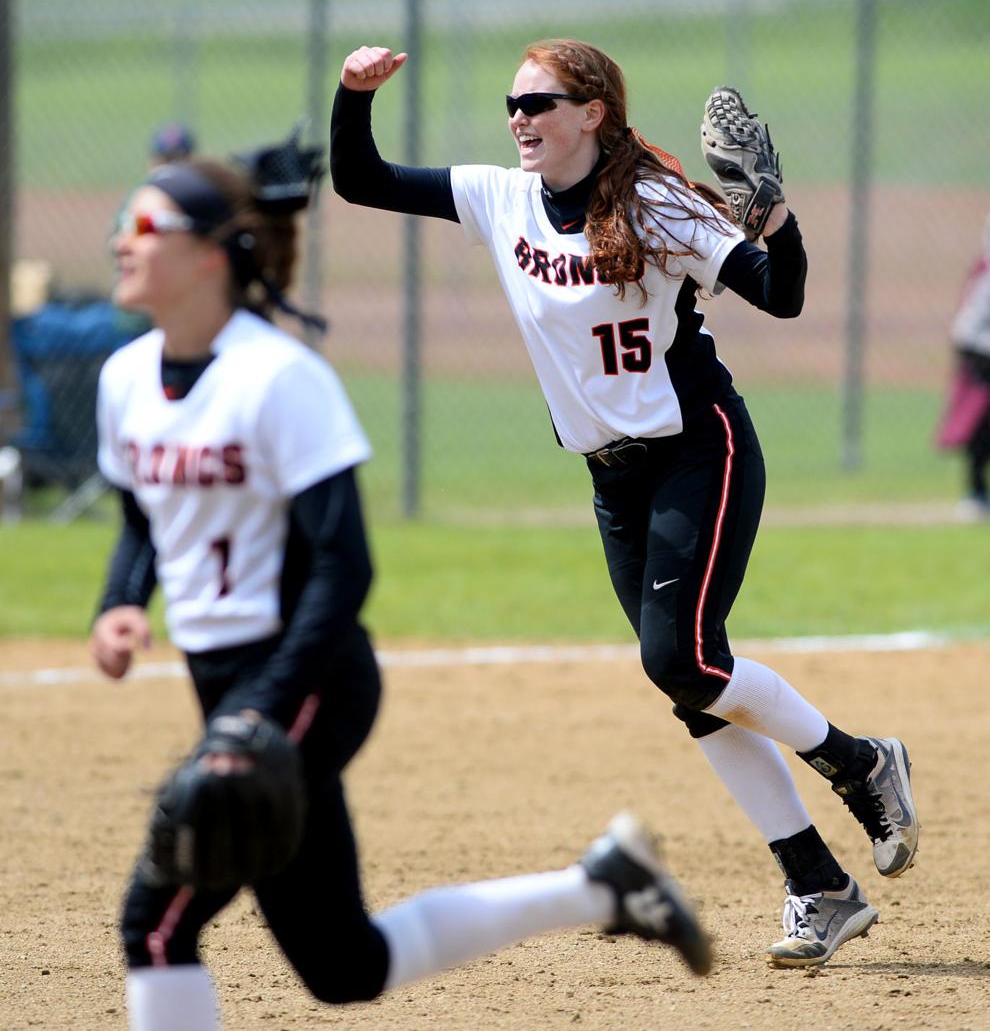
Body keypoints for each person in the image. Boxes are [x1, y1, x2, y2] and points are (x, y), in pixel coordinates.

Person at [90, 130, 712, 1031]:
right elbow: (145, 517)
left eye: (145, 223)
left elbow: (345, 565)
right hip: (226, 680)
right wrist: (120, 602)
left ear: (213, 254)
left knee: (155, 926)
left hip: (308, 677)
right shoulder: (124, 381)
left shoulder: (277, 379)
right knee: (344, 965)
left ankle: (602, 888)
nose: (121, 238)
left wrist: (260, 709)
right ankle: (600, 889)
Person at [329, 40, 921, 970]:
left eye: (541, 102)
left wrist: (777, 220)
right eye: (513, 103)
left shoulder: (656, 201)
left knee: (679, 656)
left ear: (593, 111)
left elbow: (785, 296)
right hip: (611, 477)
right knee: (691, 689)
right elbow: (361, 180)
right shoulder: (501, 196)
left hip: (699, 449)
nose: (520, 118)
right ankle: (819, 884)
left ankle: (859, 763)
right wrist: (353, 94)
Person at [935, 212, 990, 521]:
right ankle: (976, 492)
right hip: (980, 349)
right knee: (980, 421)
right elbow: (970, 324)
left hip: (975, 345)